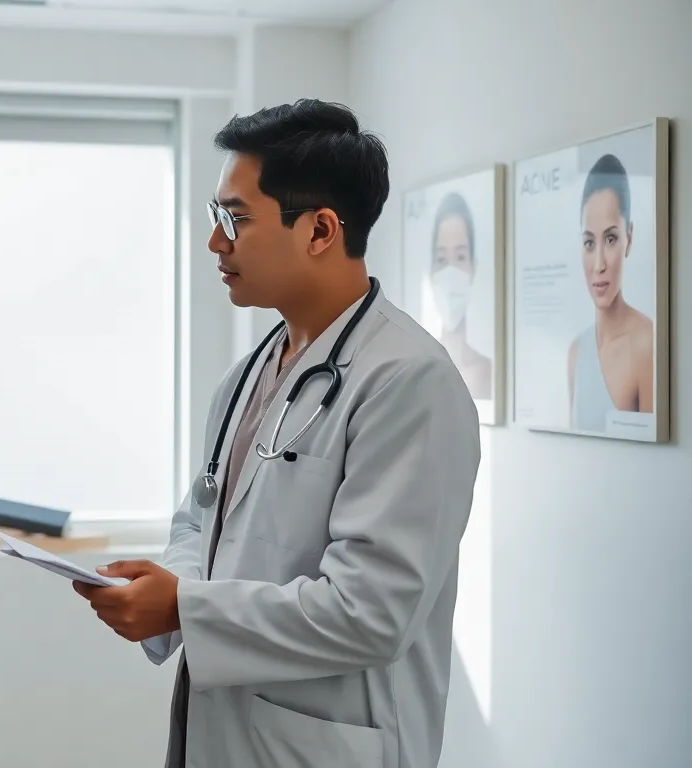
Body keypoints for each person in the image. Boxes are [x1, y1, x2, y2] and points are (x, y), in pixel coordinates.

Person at [71, 100, 481, 768]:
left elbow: (371, 613)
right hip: (224, 730)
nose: (215, 242)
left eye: (235, 218)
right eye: (216, 217)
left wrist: (185, 608)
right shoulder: (251, 372)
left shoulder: (410, 383)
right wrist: (163, 586)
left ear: (320, 230)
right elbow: (198, 524)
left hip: (324, 745)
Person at [567, 153, 654, 432]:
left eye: (611, 238)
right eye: (589, 243)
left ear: (629, 238)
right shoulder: (576, 352)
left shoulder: (647, 344)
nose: (599, 264)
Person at [427, 191, 491, 399]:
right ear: (431, 272)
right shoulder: (416, 367)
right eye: (442, 259)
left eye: (461, 257)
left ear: (474, 268)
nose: (451, 273)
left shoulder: (487, 372)